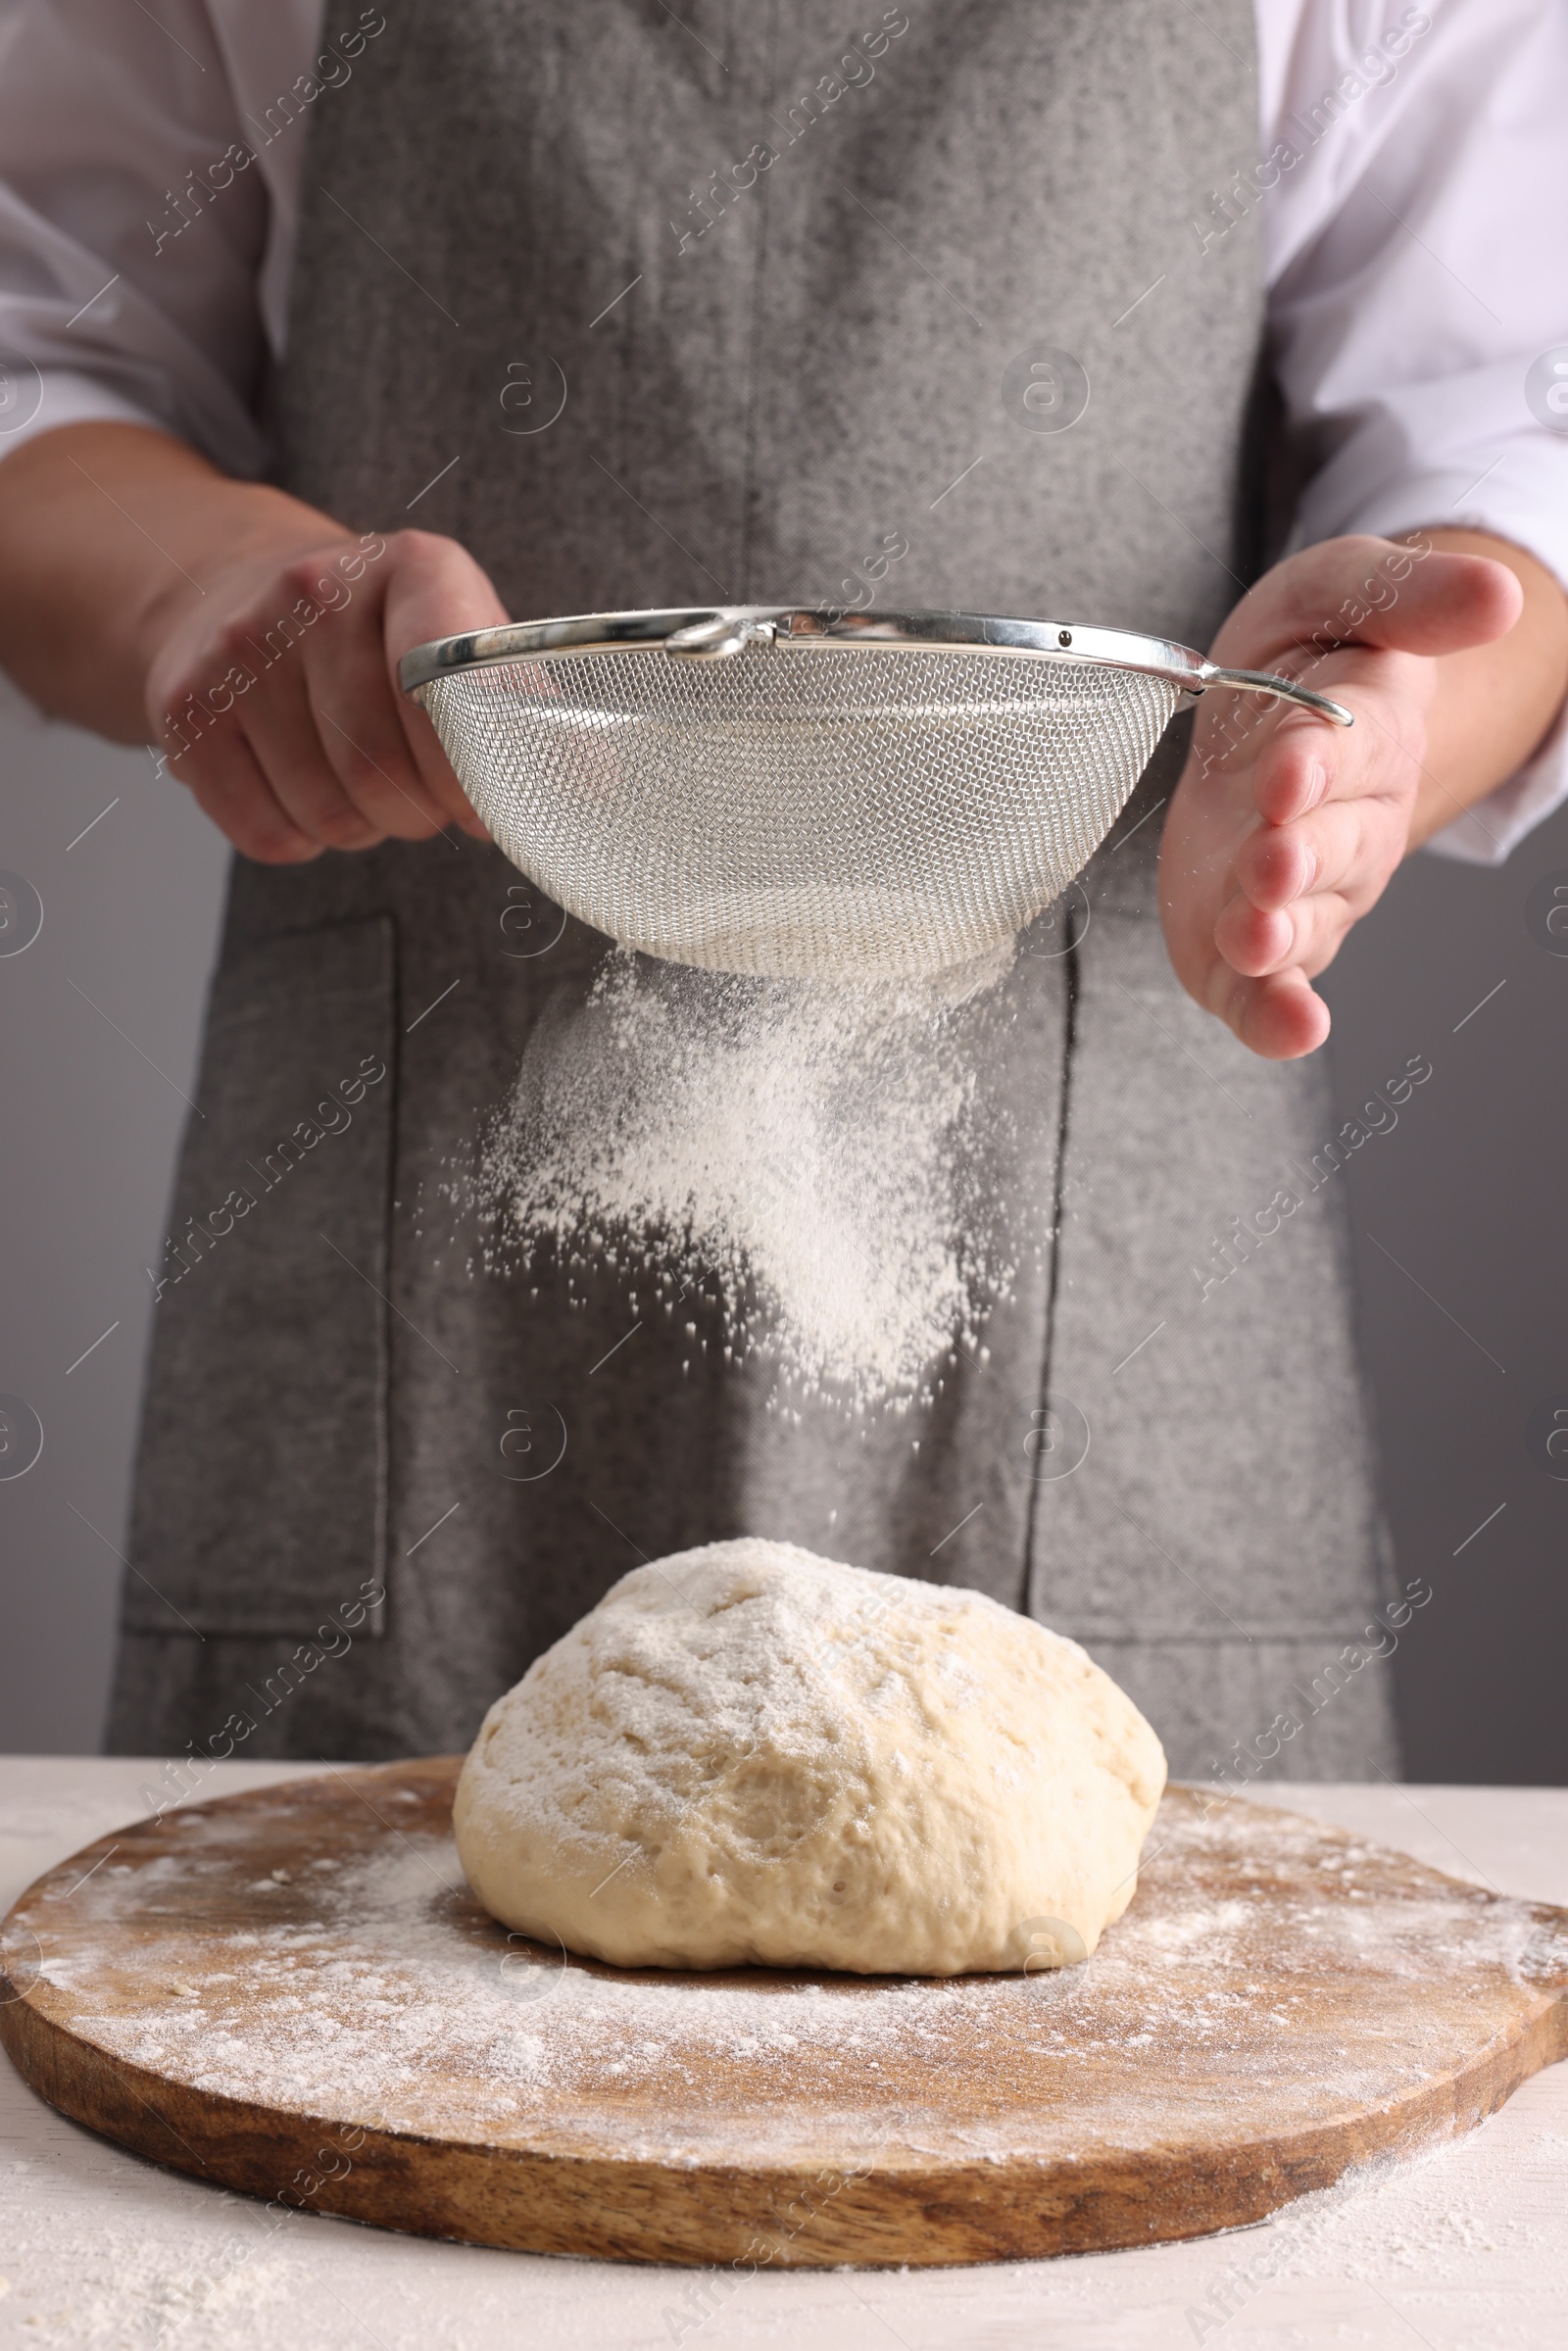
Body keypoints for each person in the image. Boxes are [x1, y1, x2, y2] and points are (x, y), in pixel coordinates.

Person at [0, 0, 1564, 1779]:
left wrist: (1370, 724)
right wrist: (204, 590)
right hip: (414, 1262)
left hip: (1112, 1250)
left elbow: (1510, 435)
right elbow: (43, 353)